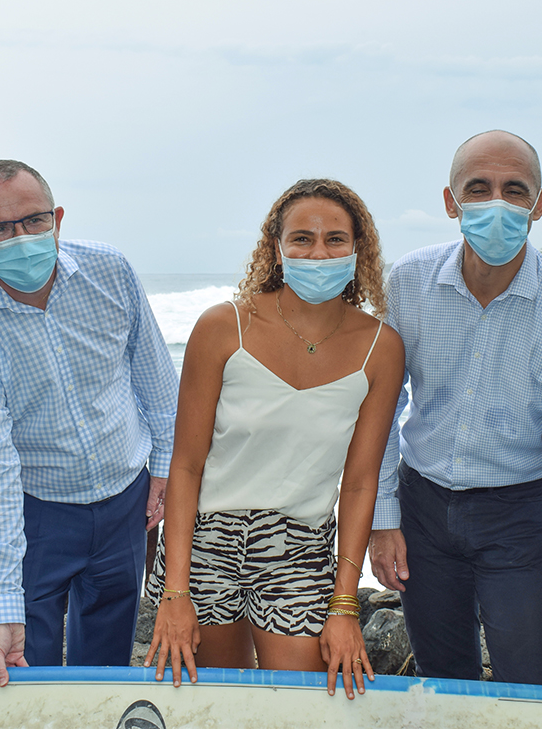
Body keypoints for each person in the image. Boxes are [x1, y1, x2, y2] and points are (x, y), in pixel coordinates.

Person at [145, 179, 404, 698]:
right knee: (218, 706)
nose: (319, 251)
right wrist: (176, 591)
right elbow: (187, 466)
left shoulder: (381, 347)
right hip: (206, 546)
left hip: (300, 550)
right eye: (302, 238)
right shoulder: (223, 327)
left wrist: (346, 604)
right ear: (277, 249)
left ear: (358, 249)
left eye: (335, 239)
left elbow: (358, 485)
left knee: (304, 707)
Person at [368, 130, 542, 691]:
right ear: (451, 202)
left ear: (539, 205)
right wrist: (383, 516)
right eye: (478, 189)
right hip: (422, 506)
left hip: (520, 515)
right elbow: (380, 407)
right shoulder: (408, 282)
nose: (496, 204)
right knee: (440, 678)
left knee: (530, 685)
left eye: (514, 190)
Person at [0, 160, 178, 686]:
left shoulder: (110, 271)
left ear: (58, 218)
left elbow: (158, 383)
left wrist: (163, 469)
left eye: (33, 220)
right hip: (37, 517)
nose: (20, 236)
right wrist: (0, 606)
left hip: (126, 503)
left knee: (107, 666)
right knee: (30, 671)